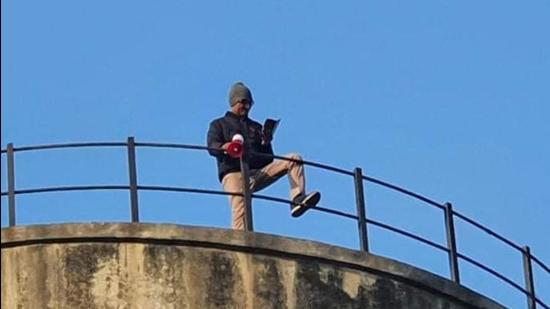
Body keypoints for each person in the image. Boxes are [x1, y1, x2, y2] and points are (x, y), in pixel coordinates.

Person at [207, 82, 321, 230]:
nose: (247, 107)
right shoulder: (219, 124)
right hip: (234, 173)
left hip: (256, 172)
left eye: (250, 103)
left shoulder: (255, 127)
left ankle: (297, 199)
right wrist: (226, 147)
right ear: (234, 102)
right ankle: (242, 241)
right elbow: (212, 146)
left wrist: (266, 143)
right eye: (244, 102)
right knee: (240, 206)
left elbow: (268, 158)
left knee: (294, 159)